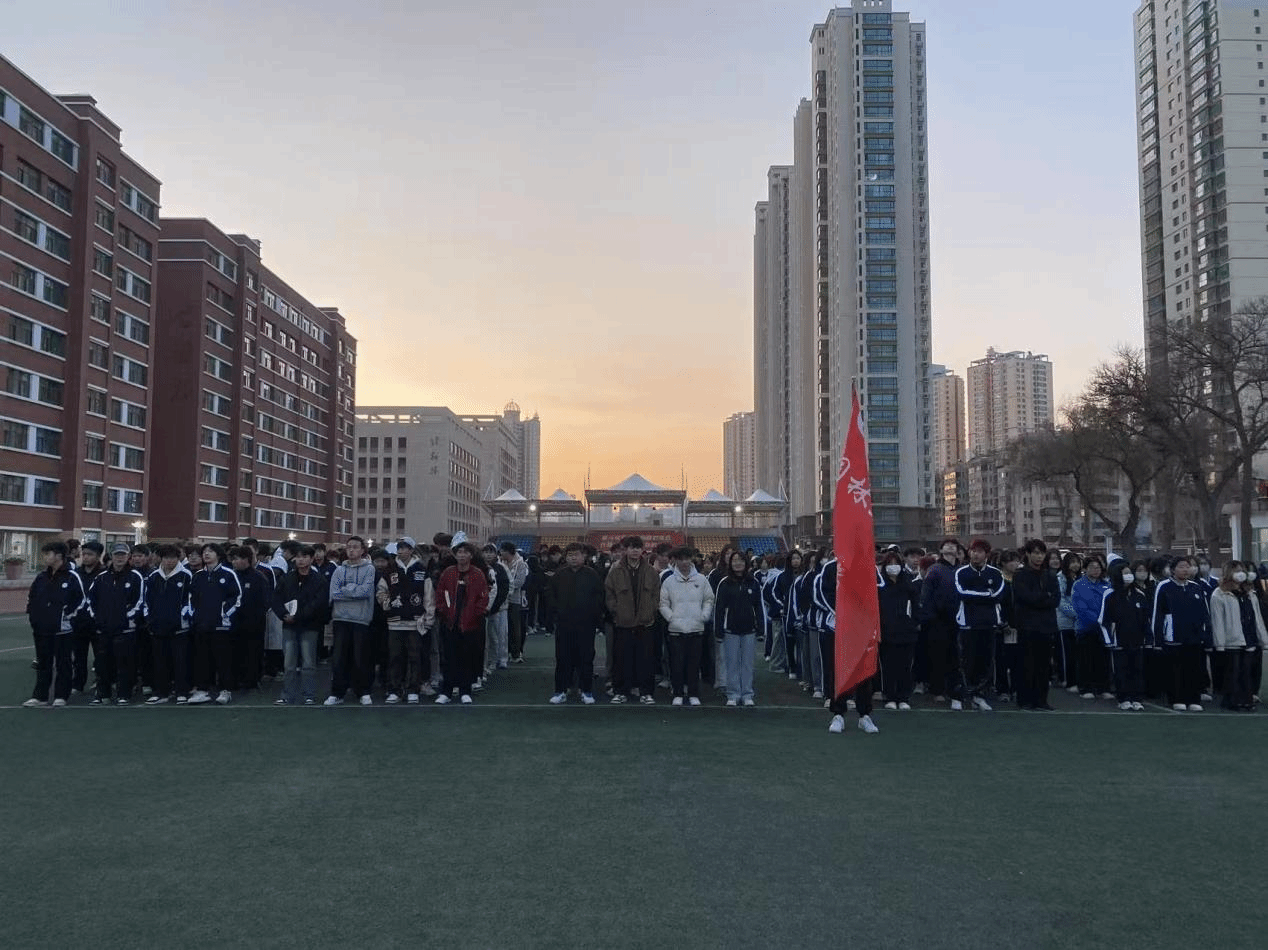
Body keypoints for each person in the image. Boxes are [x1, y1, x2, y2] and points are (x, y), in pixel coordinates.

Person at [23, 541, 87, 708]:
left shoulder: (72, 576)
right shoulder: (41, 577)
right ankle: (40, 696)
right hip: (41, 628)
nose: (45, 557)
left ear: (59, 555)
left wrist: (67, 617)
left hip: (63, 630)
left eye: (48, 554)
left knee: (63, 663)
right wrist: (34, 617)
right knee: (43, 663)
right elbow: (32, 598)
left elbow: (81, 600)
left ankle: (61, 695)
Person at [604, 536, 663, 705]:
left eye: (638, 547)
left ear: (642, 550)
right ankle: (620, 691)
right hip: (623, 623)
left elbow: (656, 595)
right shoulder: (616, 570)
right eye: (631, 547)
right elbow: (609, 594)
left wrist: (650, 611)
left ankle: (646, 692)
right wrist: (617, 611)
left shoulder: (650, 571)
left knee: (646, 659)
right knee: (621, 659)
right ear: (625, 550)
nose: (635, 550)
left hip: (645, 623)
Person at [544, 542, 605, 704]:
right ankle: (560, 691)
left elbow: (599, 597)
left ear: (583, 556)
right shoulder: (559, 574)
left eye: (576, 554)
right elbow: (550, 595)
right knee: (563, 658)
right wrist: (556, 613)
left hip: (586, 624)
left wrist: (595, 618)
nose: (573, 558)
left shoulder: (592, 575)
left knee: (586, 658)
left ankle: (586, 691)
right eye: (570, 555)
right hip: (564, 624)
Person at [88, 542, 146, 705]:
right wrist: (97, 618)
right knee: (102, 664)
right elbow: (91, 600)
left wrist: (127, 618)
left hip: (126, 630)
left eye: (123, 555)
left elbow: (140, 601)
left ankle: (124, 694)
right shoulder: (101, 577)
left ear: (128, 557)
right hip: (104, 628)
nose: (120, 558)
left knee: (125, 664)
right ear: (111, 556)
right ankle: (103, 694)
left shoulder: (135, 576)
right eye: (116, 554)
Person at [1152, 555, 1213, 711]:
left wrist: (1206, 636)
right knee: (1176, 670)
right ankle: (1177, 698)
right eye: (1181, 567)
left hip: (1194, 637)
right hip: (1173, 637)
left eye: (1187, 566)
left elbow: (1205, 614)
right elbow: (1157, 614)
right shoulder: (1164, 587)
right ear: (1172, 570)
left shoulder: (1196, 587)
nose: (1185, 570)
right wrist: (1157, 639)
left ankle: (1194, 699)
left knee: (1194, 669)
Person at [272, 546, 330, 706]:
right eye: (298, 557)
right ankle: (287, 695)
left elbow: (318, 603)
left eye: (304, 557)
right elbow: (276, 599)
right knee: (289, 664)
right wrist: (283, 615)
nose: (301, 560)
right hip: (289, 626)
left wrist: (297, 616)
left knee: (308, 663)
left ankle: (309, 695)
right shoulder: (287, 578)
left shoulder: (319, 580)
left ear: (311, 559)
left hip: (309, 626)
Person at [952, 539, 1005, 712]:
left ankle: (979, 695)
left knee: (985, 662)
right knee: (965, 661)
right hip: (967, 623)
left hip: (989, 624)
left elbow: (997, 595)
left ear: (987, 554)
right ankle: (958, 696)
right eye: (973, 551)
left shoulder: (996, 573)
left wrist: (978, 596)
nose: (976, 554)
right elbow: (962, 593)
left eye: (980, 551)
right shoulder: (961, 572)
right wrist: (985, 594)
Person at [326, 536, 379, 706]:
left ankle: (363, 691)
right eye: (349, 547)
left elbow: (365, 591)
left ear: (363, 550)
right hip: (340, 618)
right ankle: (337, 693)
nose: (351, 550)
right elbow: (334, 593)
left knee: (361, 658)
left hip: (361, 619)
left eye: (355, 547)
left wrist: (347, 590)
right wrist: (353, 592)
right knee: (339, 658)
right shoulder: (339, 570)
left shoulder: (369, 569)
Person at [434, 541, 490, 704]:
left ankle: (465, 690)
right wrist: (443, 611)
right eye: (459, 552)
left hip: (470, 624)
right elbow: (440, 593)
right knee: (449, 658)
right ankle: (446, 691)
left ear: (471, 555)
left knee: (467, 658)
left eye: (465, 552)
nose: (462, 555)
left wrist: (476, 613)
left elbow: (483, 597)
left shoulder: (477, 574)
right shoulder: (448, 573)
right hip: (450, 622)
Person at [379, 538, 434, 704]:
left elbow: (429, 595)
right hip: (394, 621)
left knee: (415, 657)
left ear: (411, 550)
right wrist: (387, 604)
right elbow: (381, 591)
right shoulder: (390, 570)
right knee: (395, 657)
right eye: (399, 548)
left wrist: (429, 618)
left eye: (405, 548)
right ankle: (394, 690)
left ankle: (413, 689)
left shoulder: (421, 569)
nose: (401, 551)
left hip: (416, 621)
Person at [188, 543, 243, 705]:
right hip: (201, 624)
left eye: (210, 551)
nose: (206, 554)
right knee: (202, 659)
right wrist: (194, 615)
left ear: (218, 555)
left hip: (222, 626)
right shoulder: (198, 576)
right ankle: (202, 690)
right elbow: (191, 598)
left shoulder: (228, 574)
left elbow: (237, 598)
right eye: (204, 552)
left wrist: (224, 614)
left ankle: (225, 690)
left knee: (223, 659)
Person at [659, 546, 715, 706]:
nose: (684, 562)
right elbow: (663, 603)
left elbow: (709, 599)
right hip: (676, 631)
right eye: (681, 559)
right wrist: (671, 618)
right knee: (676, 664)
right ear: (675, 561)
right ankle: (677, 693)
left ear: (691, 560)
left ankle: (693, 693)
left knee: (694, 664)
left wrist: (704, 615)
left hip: (696, 629)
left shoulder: (701, 580)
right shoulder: (669, 581)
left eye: (687, 559)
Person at [1210, 561, 1268, 711]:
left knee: (1246, 671)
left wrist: (1263, 638)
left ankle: (1246, 699)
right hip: (1232, 639)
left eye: (1242, 570)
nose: (1240, 573)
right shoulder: (1219, 594)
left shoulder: (1250, 593)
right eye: (1236, 570)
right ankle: (1231, 700)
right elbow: (1217, 620)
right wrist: (1220, 643)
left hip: (1249, 637)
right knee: (1233, 672)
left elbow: (1257, 617)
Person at [1012, 539, 1060, 711]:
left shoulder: (1050, 575)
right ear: (1028, 554)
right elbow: (1025, 597)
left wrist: (1040, 598)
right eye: (1036, 553)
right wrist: (1044, 596)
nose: (1039, 557)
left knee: (1044, 665)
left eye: (1042, 553)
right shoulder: (1020, 575)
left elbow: (1055, 599)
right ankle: (1025, 699)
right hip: (1027, 625)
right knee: (1026, 663)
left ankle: (1041, 700)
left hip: (1046, 626)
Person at [142, 544, 194, 704]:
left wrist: (183, 616)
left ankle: (181, 691)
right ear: (161, 559)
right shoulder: (153, 577)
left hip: (180, 628)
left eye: (173, 558)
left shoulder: (186, 575)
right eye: (166, 558)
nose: (169, 561)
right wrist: (149, 618)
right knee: (160, 661)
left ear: (178, 558)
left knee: (180, 661)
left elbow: (190, 600)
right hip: (157, 626)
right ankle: (161, 692)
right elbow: (146, 600)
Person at [1098, 560, 1151, 711]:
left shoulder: (1139, 595)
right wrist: (1109, 640)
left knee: (1137, 670)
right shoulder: (1110, 594)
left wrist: (1148, 638)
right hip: (1118, 641)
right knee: (1121, 671)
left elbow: (1146, 620)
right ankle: (1123, 698)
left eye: (1129, 573)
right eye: (1125, 573)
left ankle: (1137, 698)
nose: (1129, 576)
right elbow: (1103, 620)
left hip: (1137, 641)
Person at [713, 550, 763, 706]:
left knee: (748, 664)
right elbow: (719, 609)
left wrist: (761, 629)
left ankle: (747, 694)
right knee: (732, 663)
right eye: (734, 560)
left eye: (741, 560)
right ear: (730, 563)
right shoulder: (724, 583)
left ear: (746, 563)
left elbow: (759, 607)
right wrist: (718, 631)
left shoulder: (754, 583)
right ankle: (733, 694)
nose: (737, 563)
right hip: (730, 630)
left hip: (749, 630)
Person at [918, 539, 962, 705]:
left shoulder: (961, 569)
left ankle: (955, 689)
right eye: (946, 545)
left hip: (959, 619)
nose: (950, 547)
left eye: (953, 545)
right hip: (938, 620)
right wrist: (929, 617)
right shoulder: (935, 569)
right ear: (941, 550)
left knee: (956, 656)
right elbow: (926, 596)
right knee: (938, 656)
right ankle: (937, 690)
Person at [877, 550, 918, 710]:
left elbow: (916, 605)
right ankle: (890, 696)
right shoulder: (880, 584)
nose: (893, 567)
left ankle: (903, 697)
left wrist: (914, 623)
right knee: (888, 666)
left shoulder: (908, 583)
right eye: (890, 564)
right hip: (886, 632)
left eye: (896, 563)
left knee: (905, 666)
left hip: (906, 632)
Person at [1072, 555, 1113, 701]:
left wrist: (1106, 621)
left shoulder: (1106, 585)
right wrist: (1098, 620)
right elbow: (1080, 607)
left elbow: (1111, 605)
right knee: (1086, 659)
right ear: (1085, 569)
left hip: (1104, 630)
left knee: (1103, 660)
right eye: (1092, 567)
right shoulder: (1079, 585)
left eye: (1098, 567)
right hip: (1086, 628)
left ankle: (1103, 688)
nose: (1095, 570)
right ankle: (1085, 688)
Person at [229, 545, 269, 695]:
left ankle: (252, 680)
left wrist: (254, 619)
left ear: (246, 559)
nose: (234, 562)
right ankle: (236, 679)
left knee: (253, 652)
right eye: (232, 559)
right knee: (234, 652)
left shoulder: (258, 577)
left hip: (253, 624)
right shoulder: (231, 576)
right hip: (234, 623)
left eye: (237, 559)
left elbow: (264, 602)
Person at [70, 540, 106, 696]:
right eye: (84, 554)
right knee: (79, 656)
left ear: (98, 556)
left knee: (101, 656)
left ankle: (100, 683)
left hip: (98, 622)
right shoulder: (76, 574)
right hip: (79, 621)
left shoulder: (104, 574)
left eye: (90, 554)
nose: (85, 557)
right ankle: (78, 684)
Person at [482, 544, 511, 679]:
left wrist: (494, 606)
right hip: (481, 610)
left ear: (495, 554)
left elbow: (504, 588)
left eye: (491, 552)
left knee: (496, 636)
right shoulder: (479, 567)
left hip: (496, 609)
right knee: (485, 638)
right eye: (486, 552)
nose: (488, 555)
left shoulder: (500, 568)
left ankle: (496, 660)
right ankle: (486, 662)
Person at [1056, 552, 1083, 692]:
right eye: (1072, 562)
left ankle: (1077, 680)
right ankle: (1067, 680)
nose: (1075, 565)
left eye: (1077, 562)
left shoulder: (1081, 578)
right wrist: (1075, 613)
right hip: (1064, 621)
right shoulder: (1060, 578)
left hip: (1079, 623)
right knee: (1066, 653)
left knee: (1077, 653)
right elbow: (1060, 600)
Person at [499, 542, 529, 663]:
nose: (500, 553)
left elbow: (520, 582)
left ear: (508, 552)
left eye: (502, 551)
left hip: (514, 600)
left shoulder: (521, 564)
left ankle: (516, 653)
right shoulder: (501, 563)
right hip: (502, 600)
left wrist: (506, 587)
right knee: (503, 629)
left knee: (515, 627)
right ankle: (504, 653)